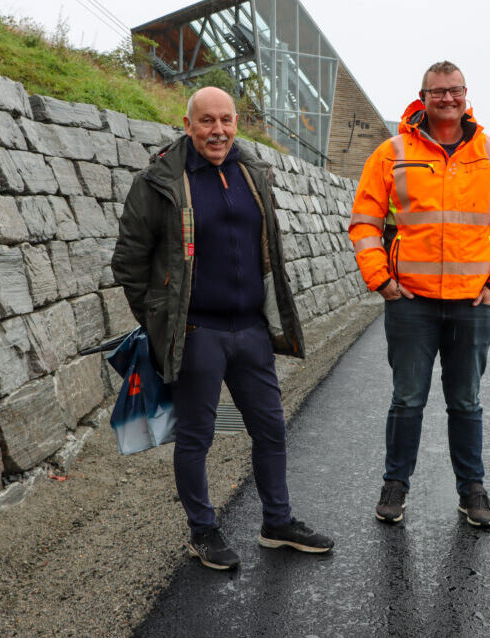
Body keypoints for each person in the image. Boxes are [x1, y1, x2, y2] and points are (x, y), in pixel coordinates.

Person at [112, 86, 334, 570]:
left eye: (227, 120)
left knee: (271, 428)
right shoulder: (160, 182)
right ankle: (203, 531)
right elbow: (128, 263)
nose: (218, 131)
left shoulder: (251, 172)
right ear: (188, 124)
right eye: (207, 121)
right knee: (197, 436)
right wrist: (160, 323)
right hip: (197, 333)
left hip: (251, 329)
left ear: (236, 123)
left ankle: (277, 522)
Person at [348, 61, 490, 528]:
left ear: (466, 95)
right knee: (407, 399)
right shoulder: (392, 153)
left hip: (473, 302)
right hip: (411, 301)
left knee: (465, 402)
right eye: (438, 92)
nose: (447, 99)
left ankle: (472, 490)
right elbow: (364, 222)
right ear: (422, 97)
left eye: (455, 91)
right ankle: (395, 485)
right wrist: (381, 281)